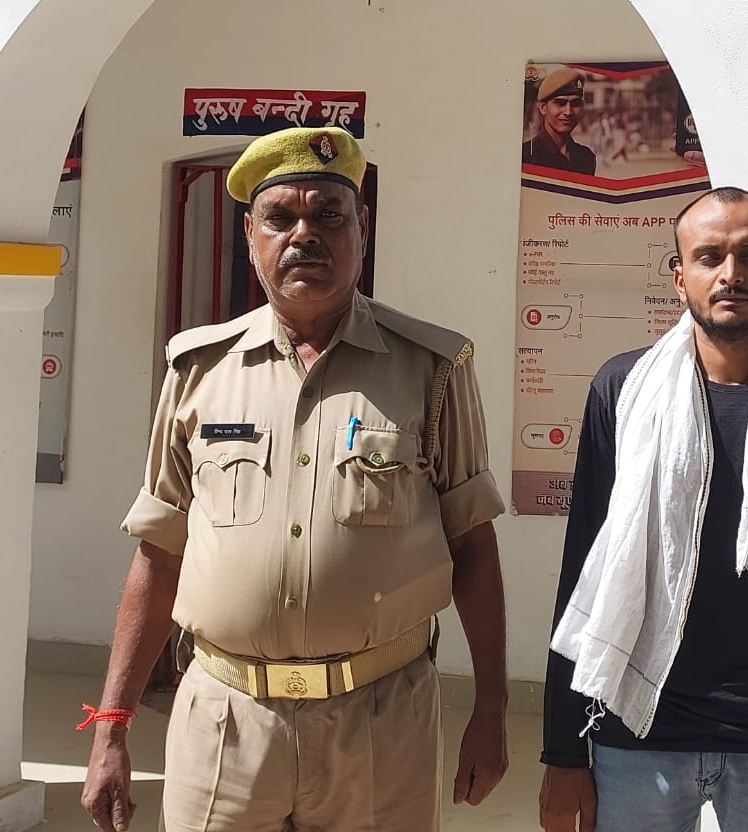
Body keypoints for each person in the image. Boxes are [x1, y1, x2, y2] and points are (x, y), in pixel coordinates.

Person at [81, 126, 510, 832]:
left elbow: (473, 545)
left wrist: (491, 710)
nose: (304, 235)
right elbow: (159, 552)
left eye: (328, 216)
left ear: (361, 229)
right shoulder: (198, 370)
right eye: (280, 218)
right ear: (250, 236)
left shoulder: (432, 369)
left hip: (382, 721)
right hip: (225, 721)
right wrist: (111, 728)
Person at [538, 187, 748, 832]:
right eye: (708, 256)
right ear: (679, 277)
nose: (730, 274)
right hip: (636, 729)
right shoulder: (623, 389)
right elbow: (584, 572)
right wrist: (563, 751)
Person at [524, 68, 598, 175]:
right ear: (543, 108)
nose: (568, 112)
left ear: (582, 107)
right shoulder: (527, 156)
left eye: (575, 103)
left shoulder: (586, 157)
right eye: (560, 103)